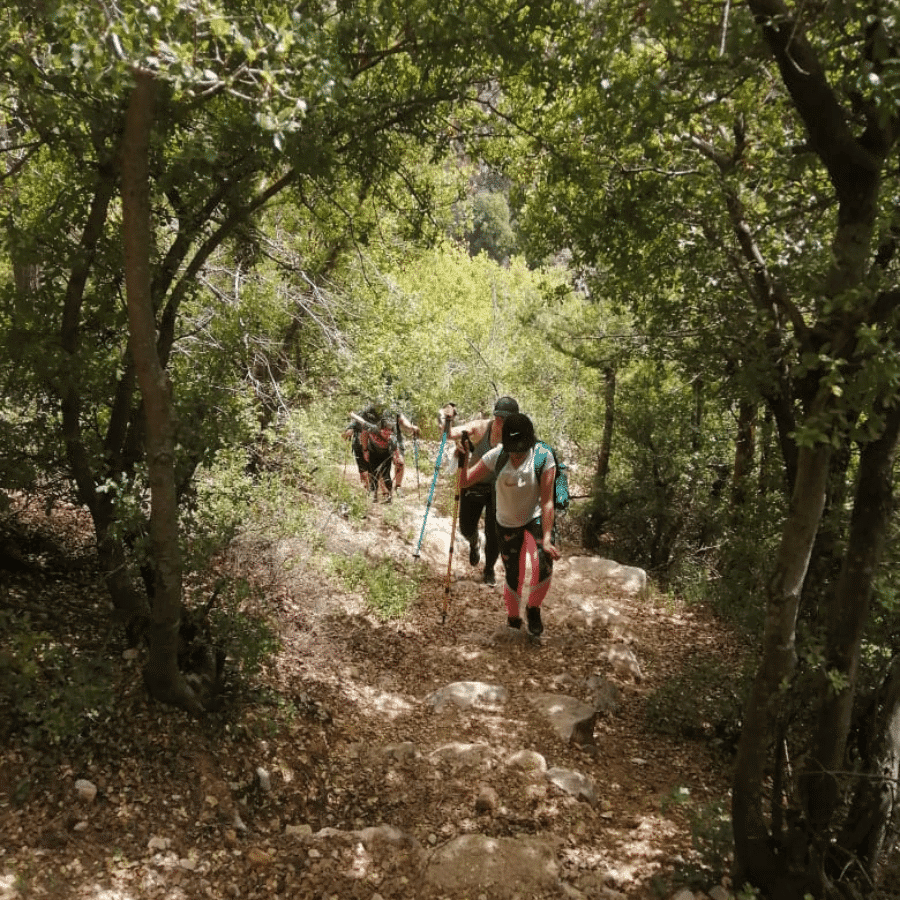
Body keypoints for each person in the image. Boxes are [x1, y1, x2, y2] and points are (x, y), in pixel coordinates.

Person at [459, 412, 560, 636]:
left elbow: (548, 501)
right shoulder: (498, 456)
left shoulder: (544, 456)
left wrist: (546, 537)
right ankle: (513, 617)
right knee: (513, 574)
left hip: (534, 518)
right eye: (512, 450)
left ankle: (533, 609)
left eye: (521, 451)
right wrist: (464, 458)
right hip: (506, 523)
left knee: (544, 567)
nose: (516, 456)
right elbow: (465, 481)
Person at [449, 396, 519, 584]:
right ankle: (474, 542)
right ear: (494, 417)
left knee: (494, 532)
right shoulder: (482, 428)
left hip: (499, 489)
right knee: (465, 528)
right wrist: (448, 422)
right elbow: (452, 433)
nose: (501, 423)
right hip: (474, 483)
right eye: (499, 418)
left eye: (506, 420)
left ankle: (489, 568)